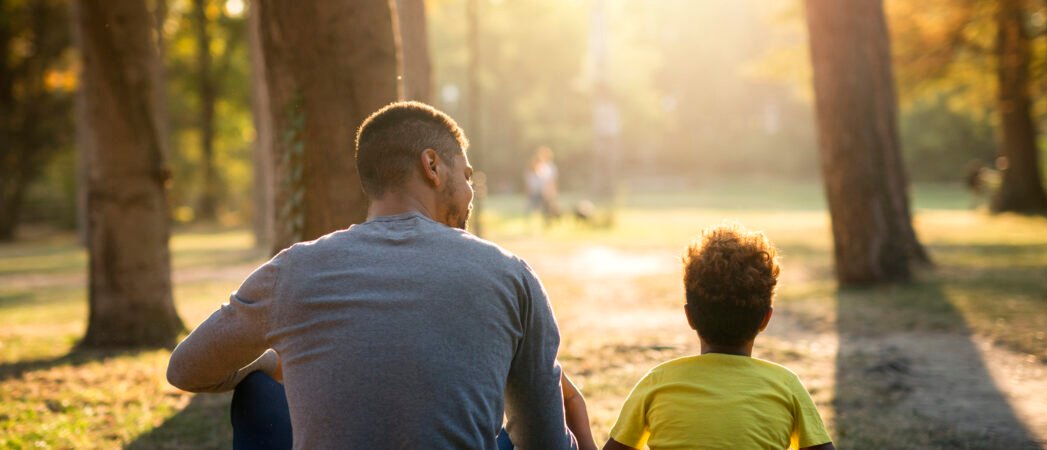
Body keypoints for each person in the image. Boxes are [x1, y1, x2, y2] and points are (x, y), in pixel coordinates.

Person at [167, 101, 583, 449]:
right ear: (432, 166)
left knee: (257, 391)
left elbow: (186, 369)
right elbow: (544, 442)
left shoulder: (293, 271)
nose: (471, 192)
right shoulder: (510, 274)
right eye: (467, 175)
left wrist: (278, 359)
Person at [602, 224, 835, 450]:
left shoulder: (657, 383)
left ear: (689, 316)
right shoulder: (786, 386)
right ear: (766, 319)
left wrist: (577, 407)